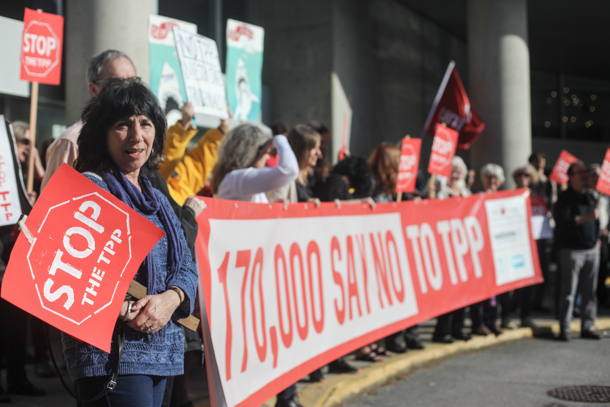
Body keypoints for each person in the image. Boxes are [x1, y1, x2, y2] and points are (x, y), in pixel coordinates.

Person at [64, 79, 198, 406]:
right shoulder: (88, 190)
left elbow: (186, 266)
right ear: (102, 134)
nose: (137, 136)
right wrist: (129, 310)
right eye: (123, 125)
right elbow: (67, 276)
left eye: (146, 124)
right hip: (111, 356)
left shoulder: (158, 198)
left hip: (163, 350)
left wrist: (170, 298)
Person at [211, 124, 300, 407]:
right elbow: (288, 171)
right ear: (254, 150)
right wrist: (282, 139)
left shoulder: (241, 182)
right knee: (237, 369)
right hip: (238, 288)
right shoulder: (238, 179)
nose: (270, 156)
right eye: (268, 151)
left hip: (249, 285)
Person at [42, 49, 137, 190]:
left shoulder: (138, 139)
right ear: (94, 89)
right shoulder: (71, 142)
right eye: (117, 83)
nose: (127, 90)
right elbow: (51, 206)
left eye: (132, 82)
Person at [554, 161, 601, 341]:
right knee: (568, 293)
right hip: (571, 252)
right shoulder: (565, 198)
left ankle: (587, 326)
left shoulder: (591, 196)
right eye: (579, 172)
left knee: (590, 293)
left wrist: (597, 239)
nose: (584, 175)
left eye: (584, 172)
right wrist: (585, 218)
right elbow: (564, 222)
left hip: (591, 250)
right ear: (571, 176)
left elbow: (597, 221)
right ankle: (564, 329)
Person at [428, 157, 473, 343]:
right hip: (444, 249)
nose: (455, 174)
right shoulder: (440, 192)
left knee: (462, 293)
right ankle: (442, 330)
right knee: (447, 294)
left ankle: (457, 328)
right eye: (452, 170)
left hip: (462, 249)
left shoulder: (464, 192)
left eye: (458, 171)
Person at [470, 163, 505, 336]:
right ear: (483, 180)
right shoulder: (476, 198)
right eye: (489, 177)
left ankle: (492, 321)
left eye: (495, 178)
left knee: (495, 291)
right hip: (480, 251)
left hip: (498, 251)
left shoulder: (503, 200)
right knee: (479, 289)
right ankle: (478, 322)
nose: (492, 181)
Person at [508, 165, 539, 329]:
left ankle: (525, 316)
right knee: (512, 283)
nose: (523, 177)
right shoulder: (510, 196)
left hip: (531, 245)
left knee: (529, 283)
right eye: (520, 174)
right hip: (514, 244)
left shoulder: (536, 197)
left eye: (527, 175)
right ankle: (507, 315)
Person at [528, 152, 556, 311]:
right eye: (537, 159)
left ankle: (538, 302)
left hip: (544, 230)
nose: (540, 161)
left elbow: (553, 205)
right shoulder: (528, 181)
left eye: (543, 158)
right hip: (530, 231)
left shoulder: (549, 183)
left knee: (543, 268)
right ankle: (524, 302)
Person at [588, 164, 609, 306]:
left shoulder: (605, 196)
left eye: (599, 175)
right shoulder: (586, 194)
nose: (596, 178)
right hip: (590, 237)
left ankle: (601, 297)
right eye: (594, 174)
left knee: (603, 267)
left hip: (604, 236)